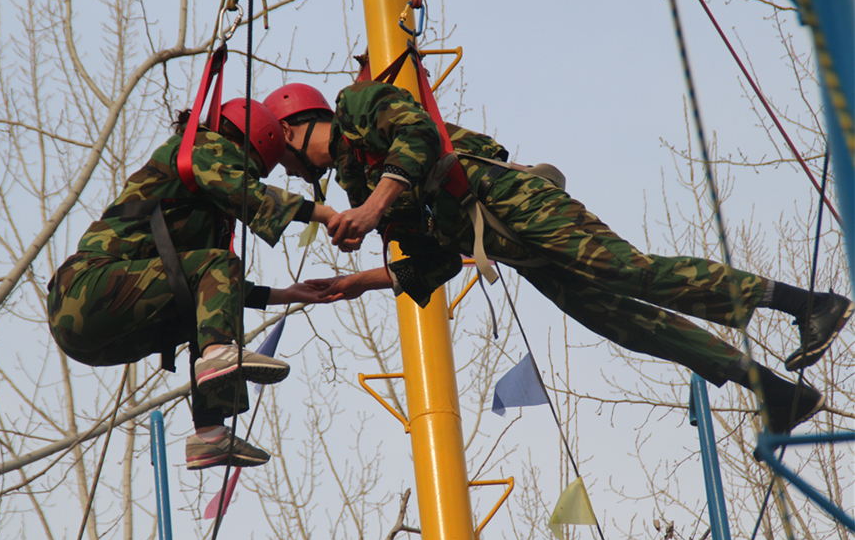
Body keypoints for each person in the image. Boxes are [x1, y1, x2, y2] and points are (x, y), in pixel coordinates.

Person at [263, 80, 853, 435]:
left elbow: (417, 137)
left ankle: (808, 304)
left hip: (507, 197)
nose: (282, 164)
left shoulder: (356, 108)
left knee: (631, 271)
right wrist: (359, 281)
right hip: (508, 247)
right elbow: (436, 258)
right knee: (629, 325)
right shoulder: (355, 186)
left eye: (276, 147)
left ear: (292, 124)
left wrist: (373, 210)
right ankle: (775, 391)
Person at [47, 98, 337, 470]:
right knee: (219, 275)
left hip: (94, 332)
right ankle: (217, 358)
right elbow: (240, 192)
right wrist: (321, 213)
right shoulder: (202, 145)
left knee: (201, 311)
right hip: (84, 289)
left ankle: (210, 434)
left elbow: (210, 288)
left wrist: (283, 294)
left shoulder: (205, 214)